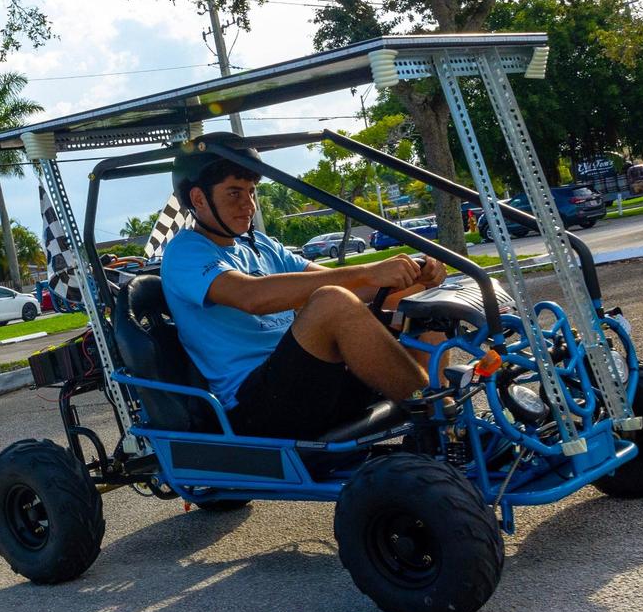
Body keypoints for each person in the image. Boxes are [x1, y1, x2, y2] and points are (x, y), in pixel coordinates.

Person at [160, 136, 446, 439]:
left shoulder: (262, 246)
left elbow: (355, 288)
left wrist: (417, 279)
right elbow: (250, 296)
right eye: (234, 193)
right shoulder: (185, 252)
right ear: (199, 199)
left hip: (309, 382)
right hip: (257, 407)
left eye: (251, 191)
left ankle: (441, 423)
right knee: (331, 301)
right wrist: (370, 272)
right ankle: (440, 413)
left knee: (420, 301)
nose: (249, 204)